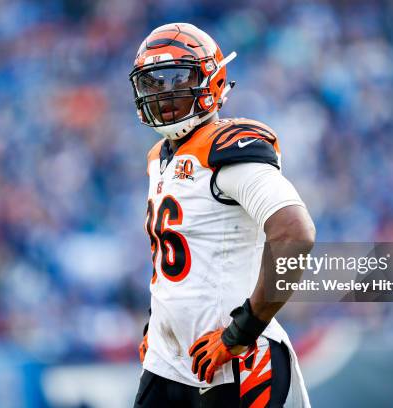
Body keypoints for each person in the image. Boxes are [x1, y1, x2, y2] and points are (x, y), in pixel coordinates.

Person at [130, 23, 315, 407]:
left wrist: (241, 332)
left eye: (177, 79)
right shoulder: (157, 158)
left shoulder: (226, 148)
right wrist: (159, 323)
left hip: (238, 362)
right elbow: (178, 259)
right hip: (168, 362)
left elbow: (295, 232)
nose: (165, 94)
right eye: (154, 82)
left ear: (211, 81)